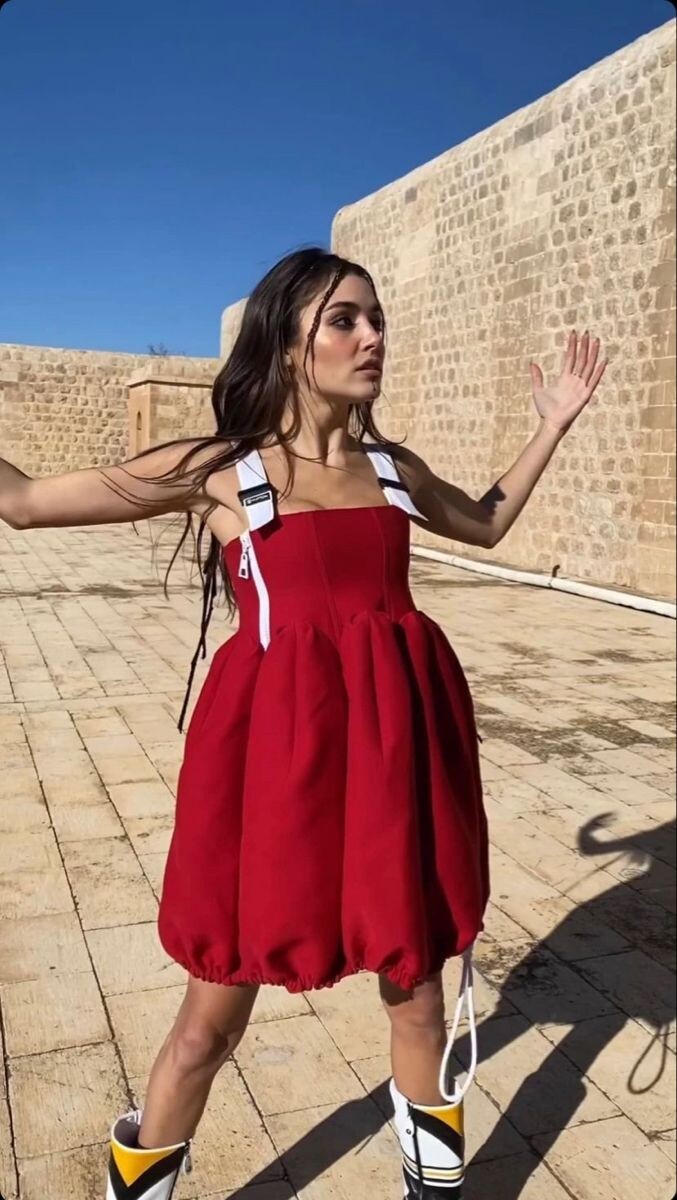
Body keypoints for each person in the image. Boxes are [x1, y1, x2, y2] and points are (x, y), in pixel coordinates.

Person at [0, 248, 607, 1199]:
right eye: (344, 320)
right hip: (275, 767)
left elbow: (485, 524)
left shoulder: (391, 470)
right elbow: (24, 505)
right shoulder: (219, 469)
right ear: (289, 343)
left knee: (416, 996)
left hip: (396, 755)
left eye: (376, 319)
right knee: (212, 1018)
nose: (371, 338)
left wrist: (552, 425)